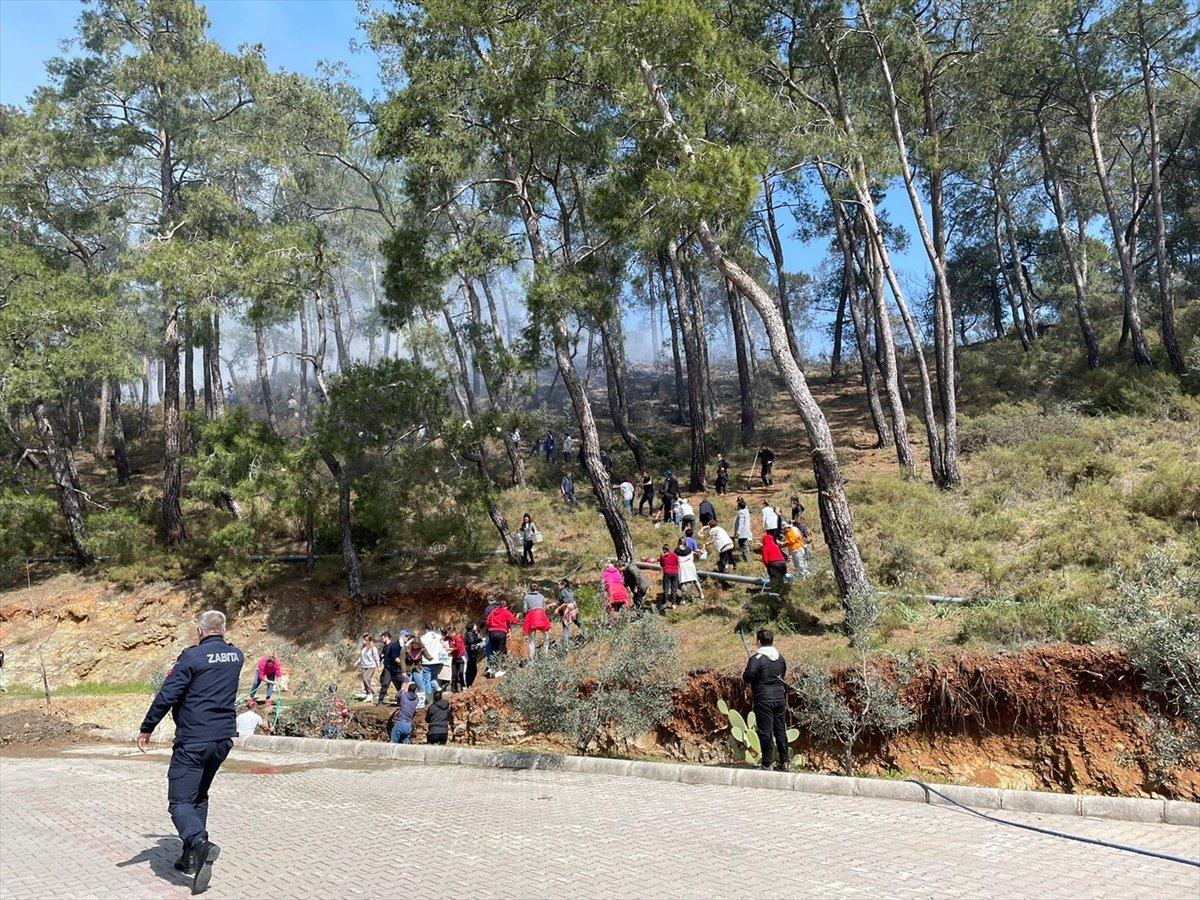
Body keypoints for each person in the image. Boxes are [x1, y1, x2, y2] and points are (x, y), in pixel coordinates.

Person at [137, 610, 243, 892]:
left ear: (200, 631)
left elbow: (167, 694)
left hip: (194, 741)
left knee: (179, 803)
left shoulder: (192, 657)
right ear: (223, 630)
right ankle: (189, 858)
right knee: (199, 797)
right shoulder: (236, 656)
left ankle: (200, 844)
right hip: (222, 740)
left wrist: (147, 727)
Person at [743, 630, 789, 771]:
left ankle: (767, 763)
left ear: (759, 642)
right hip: (780, 698)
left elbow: (747, 677)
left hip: (764, 699)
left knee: (765, 732)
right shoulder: (780, 658)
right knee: (780, 730)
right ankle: (785, 762)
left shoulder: (757, 658)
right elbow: (782, 674)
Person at [486, 601, 518, 676]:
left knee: (494, 650)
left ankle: (491, 669)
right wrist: (517, 616)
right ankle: (499, 670)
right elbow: (514, 621)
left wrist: (491, 628)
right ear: (505, 606)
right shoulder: (506, 612)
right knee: (500, 650)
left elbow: (487, 622)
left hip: (491, 633)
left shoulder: (493, 612)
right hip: (501, 632)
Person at [522, 582, 553, 657]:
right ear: (538, 588)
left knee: (531, 640)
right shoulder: (541, 596)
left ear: (530, 588)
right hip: (541, 616)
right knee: (546, 636)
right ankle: (545, 655)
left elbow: (525, 609)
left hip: (531, 617)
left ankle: (532, 658)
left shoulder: (526, 597)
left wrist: (527, 616)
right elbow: (544, 608)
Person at [378, 631, 406, 705]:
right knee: (385, 683)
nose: (382, 640)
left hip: (395, 668)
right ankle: (380, 700)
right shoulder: (385, 647)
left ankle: (400, 700)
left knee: (399, 684)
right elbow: (383, 656)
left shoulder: (394, 645)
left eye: (383, 638)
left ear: (386, 637)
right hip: (388, 668)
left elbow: (395, 655)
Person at [555, 579, 585, 646]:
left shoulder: (562, 592)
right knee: (579, 623)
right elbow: (562, 601)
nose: (557, 586)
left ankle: (566, 644)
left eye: (558, 585)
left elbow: (565, 603)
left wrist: (558, 609)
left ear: (563, 585)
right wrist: (554, 604)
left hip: (568, 610)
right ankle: (585, 636)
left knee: (565, 626)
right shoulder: (568, 590)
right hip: (574, 609)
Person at [419, 625, 445, 698]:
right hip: (437, 661)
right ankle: (438, 689)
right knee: (433, 678)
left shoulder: (423, 638)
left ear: (426, 629)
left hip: (427, 662)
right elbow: (443, 646)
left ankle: (429, 697)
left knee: (426, 680)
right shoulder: (439, 636)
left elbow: (421, 650)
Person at [676, 538, 704, 602]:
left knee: (683, 583)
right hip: (690, 566)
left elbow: (676, 559)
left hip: (682, 567)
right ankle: (701, 594)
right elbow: (693, 555)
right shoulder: (690, 549)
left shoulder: (676, 550)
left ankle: (684, 599)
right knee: (695, 580)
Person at [657, 544, 680, 608]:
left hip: (667, 573)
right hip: (675, 573)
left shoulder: (662, 556)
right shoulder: (675, 555)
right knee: (674, 589)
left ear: (664, 550)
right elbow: (677, 563)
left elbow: (662, 565)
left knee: (666, 589)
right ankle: (673, 604)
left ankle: (664, 603)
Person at [359, 634, 380, 703]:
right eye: (363, 639)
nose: (363, 641)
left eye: (365, 640)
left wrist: (378, 665)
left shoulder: (373, 648)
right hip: (364, 666)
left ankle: (371, 693)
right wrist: (357, 662)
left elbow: (376, 657)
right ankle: (369, 694)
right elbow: (362, 657)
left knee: (366, 679)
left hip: (371, 666)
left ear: (369, 641)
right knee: (364, 680)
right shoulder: (363, 648)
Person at [464, 623, 486, 687]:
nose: (476, 626)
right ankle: (468, 684)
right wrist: (481, 639)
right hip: (471, 654)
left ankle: (468, 684)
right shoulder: (469, 634)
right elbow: (472, 641)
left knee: (471, 670)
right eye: (475, 625)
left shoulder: (470, 633)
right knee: (472, 670)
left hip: (471, 654)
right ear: (472, 627)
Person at [447, 627, 468, 693]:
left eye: (450, 633)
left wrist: (451, 649)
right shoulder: (450, 639)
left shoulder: (457, 638)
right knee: (454, 675)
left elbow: (458, 648)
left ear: (454, 632)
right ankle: (453, 690)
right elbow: (443, 640)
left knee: (461, 672)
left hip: (461, 657)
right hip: (455, 658)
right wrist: (451, 652)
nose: (449, 634)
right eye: (448, 633)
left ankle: (464, 686)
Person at [733, 497, 752, 562]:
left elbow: (741, 523)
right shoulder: (746, 511)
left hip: (742, 532)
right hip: (745, 530)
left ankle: (747, 559)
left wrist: (738, 532)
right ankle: (746, 558)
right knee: (742, 543)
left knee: (743, 544)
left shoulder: (741, 512)